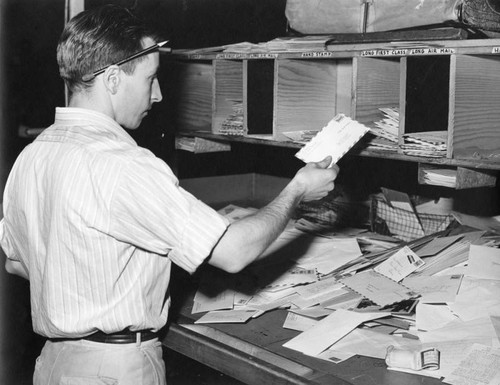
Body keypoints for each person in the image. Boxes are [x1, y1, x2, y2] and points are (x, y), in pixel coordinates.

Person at [0, 4, 339, 385]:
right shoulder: (124, 164)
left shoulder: (33, 155)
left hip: (54, 364)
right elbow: (233, 253)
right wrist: (297, 190)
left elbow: (18, 262)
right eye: (150, 79)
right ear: (112, 79)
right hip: (114, 369)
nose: (158, 94)